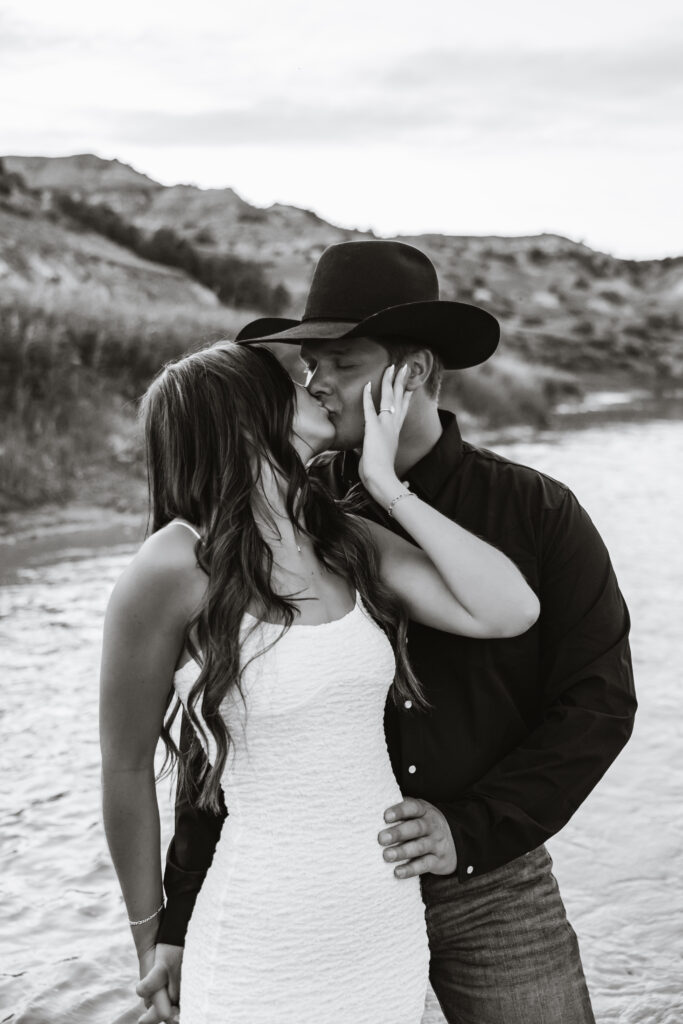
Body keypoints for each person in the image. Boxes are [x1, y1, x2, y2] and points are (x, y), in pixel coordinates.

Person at [140, 240, 636, 1024]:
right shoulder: (293, 518)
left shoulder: (538, 513)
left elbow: (597, 705)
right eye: (309, 361)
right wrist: (177, 917)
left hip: (493, 886)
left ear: (413, 372)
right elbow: (228, 727)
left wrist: (465, 830)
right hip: (321, 894)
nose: (314, 380)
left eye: (340, 359)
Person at [99, 337, 540, 1024]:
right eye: (293, 379)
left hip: (382, 923)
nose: (315, 383)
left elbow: (507, 610)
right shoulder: (172, 565)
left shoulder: (339, 534)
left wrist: (389, 488)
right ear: (248, 418)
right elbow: (125, 769)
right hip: (263, 934)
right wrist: (151, 936)